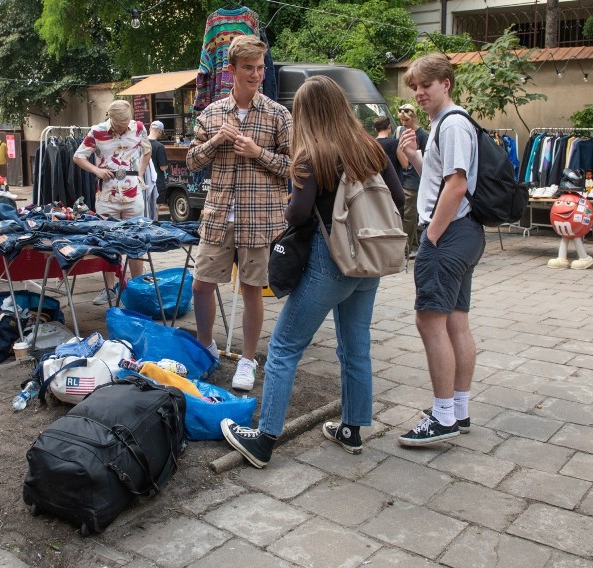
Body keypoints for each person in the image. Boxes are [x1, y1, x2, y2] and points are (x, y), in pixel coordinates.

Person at [219, 76, 404, 467]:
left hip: (329, 262)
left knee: (285, 348)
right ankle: (352, 428)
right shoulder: (370, 148)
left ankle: (264, 439)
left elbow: (300, 214)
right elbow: (399, 197)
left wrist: (289, 204)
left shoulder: (311, 156)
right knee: (355, 348)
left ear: (306, 114)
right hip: (366, 262)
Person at [186, 34, 292, 391]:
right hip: (218, 215)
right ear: (230, 70)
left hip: (260, 218)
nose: (256, 74)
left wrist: (257, 152)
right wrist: (216, 141)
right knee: (201, 286)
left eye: (260, 68)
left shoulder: (278, 115)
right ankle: (205, 347)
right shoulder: (212, 113)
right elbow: (191, 161)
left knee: (250, 290)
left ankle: (247, 360)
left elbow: (294, 168)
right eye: (248, 68)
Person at [397, 54, 485, 446]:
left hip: (448, 235)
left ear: (445, 83)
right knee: (455, 322)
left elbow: (456, 185)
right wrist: (415, 155)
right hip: (463, 232)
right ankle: (459, 411)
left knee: (429, 322)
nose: (419, 94)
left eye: (426, 86)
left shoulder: (451, 125)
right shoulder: (445, 125)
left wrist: (431, 235)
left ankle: (443, 416)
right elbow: (438, 178)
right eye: (415, 87)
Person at [72, 99, 152, 306]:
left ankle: (137, 287)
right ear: (111, 118)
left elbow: (147, 149)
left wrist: (141, 171)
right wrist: (96, 170)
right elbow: (78, 156)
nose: (122, 128)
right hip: (107, 195)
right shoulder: (97, 131)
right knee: (108, 243)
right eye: (118, 125)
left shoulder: (139, 128)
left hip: (133, 193)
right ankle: (110, 289)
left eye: (125, 125)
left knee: (136, 241)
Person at [396, 103, 429, 258]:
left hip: (415, 180)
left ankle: (404, 249)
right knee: (408, 215)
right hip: (404, 178)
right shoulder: (401, 131)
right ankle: (413, 246)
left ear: (413, 117)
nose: (404, 123)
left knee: (409, 216)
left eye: (406, 120)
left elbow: (426, 160)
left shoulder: (422, 134)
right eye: (402, 120)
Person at [374, 115, 406, 184]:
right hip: (394, 183)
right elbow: (405, 164)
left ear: (375, 129)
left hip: (378, 184)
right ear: (389, 127)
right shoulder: (395, 143)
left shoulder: (370, 144)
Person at [147, 120, 169, 221]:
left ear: (150, 129)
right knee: (155, 209)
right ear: (160, 131)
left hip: (144, 180)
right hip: (157, 182)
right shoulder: (159, 146)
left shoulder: (142, 144)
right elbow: (163, 167)